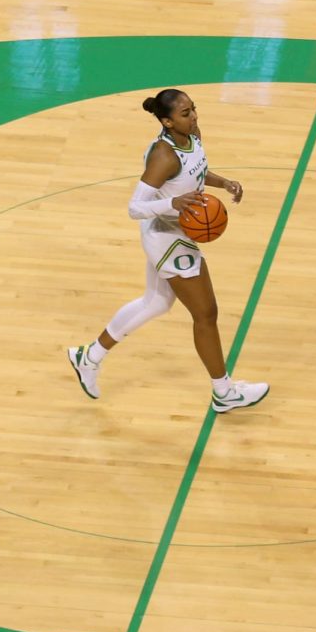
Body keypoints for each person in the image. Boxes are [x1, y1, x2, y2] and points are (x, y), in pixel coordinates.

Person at [67, 88, 270, 413]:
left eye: (193, 109)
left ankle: (89, 357)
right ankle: (224, 392)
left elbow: (196, 174)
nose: (194, 117)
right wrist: (173, 203)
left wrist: (224, 182)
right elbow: (135, 207)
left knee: (157, 302)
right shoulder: (164, 156)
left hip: (175, 229)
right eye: (185, 113)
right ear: (166, 121)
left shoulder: (192, 136)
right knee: (206, 314)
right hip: (167, 236)